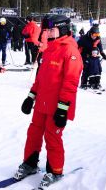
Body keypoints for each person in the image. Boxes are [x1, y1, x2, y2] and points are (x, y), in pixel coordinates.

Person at [14, 15, 83, 188]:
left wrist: (62, 109)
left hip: (56, 107)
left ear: (64, 30)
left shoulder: (70, 52)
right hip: (41, 104)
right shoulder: (49, 49)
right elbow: (40, 79)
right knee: (34, 134)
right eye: (47, 30)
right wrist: (30, 97)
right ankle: (30, 163)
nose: (49, 33)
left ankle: (55, 170)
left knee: (52, 138)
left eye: (53, 29)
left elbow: (70, 83)